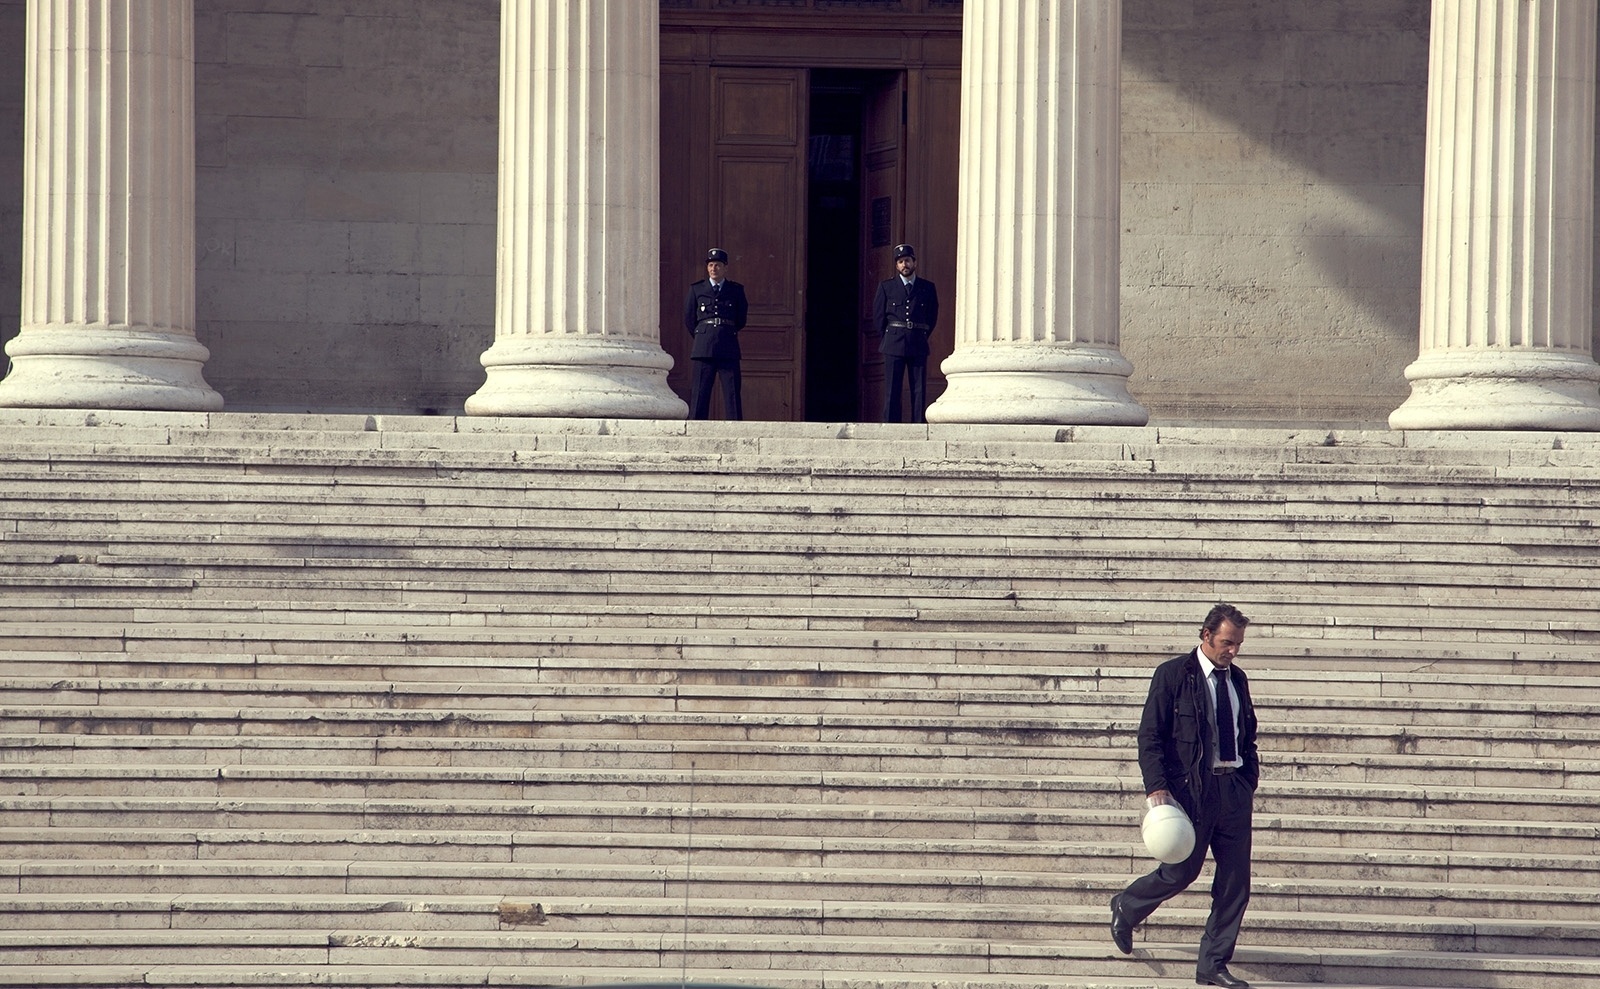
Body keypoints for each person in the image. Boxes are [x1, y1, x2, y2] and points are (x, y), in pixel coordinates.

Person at [1110, 604, 1259, 989]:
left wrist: (1248, 778)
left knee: (1235, 881)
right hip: (1192, 792)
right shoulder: (1173, 675)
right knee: (1181, 870)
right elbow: (1150, 737)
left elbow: (1248, 733)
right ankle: (1127, 906)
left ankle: (1213, 964)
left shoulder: (1238, 679)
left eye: (1238, 644)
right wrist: (1157, 788)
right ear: (1206, 636)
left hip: (1233, 790)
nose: (1233, 651)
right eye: (1227, 642)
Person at [871, 243, 939, 423]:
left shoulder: (927, 287)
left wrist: (922, 334)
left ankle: (917, 424)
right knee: (892, 388)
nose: (904, 265)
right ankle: (892, 424)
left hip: (917, 341)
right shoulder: (886, 287)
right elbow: (879, 318)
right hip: (893, 343)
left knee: (918, 388)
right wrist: (888, 337)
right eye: (900, 262)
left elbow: (932, 316)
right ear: (896, 265)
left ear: (914, 263)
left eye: (907, 261)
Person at [683, 248, 748, 420]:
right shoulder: (696, 289)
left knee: (732, 392)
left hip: (728, 344)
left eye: (717, 265)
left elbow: (741, 319)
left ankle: (736, 429)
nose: (713, 269)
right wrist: (702, 335)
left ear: (725, 268)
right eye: (710, 265)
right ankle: (697, 427)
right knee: (700, 393)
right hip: (703, 346)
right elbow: (690, 319)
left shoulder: (736, 290)